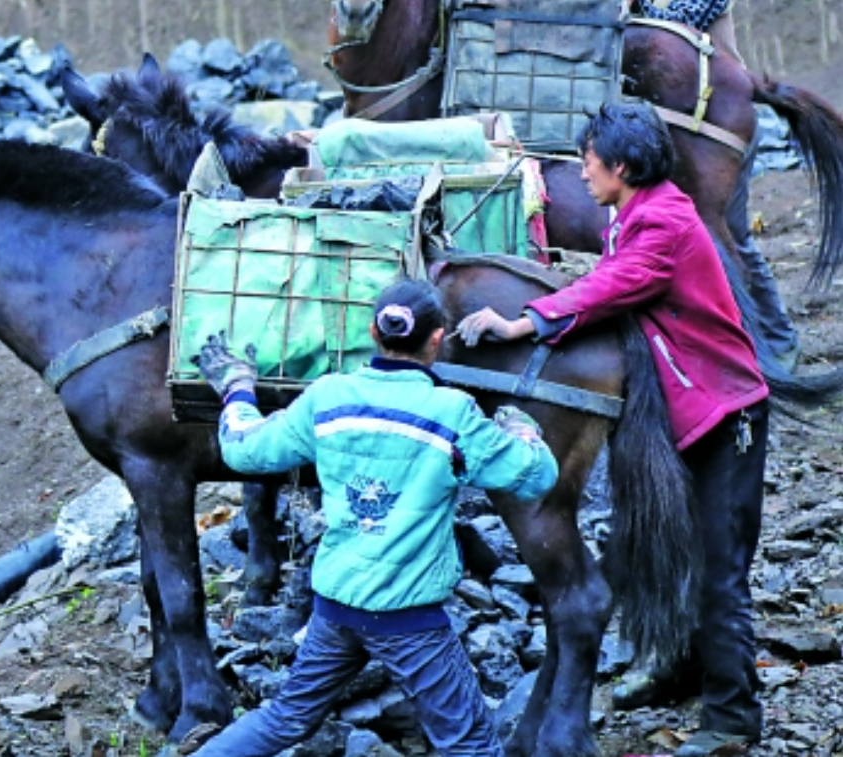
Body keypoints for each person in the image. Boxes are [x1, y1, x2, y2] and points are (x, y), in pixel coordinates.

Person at [456, 102, 768, 757]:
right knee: (653, 551)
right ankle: (682, 669)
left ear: (620, 166)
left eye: (588, 159)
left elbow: (613, 286)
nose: (582, 171)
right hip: (690, 412)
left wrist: (522, 322)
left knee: (720, 573)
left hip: (722, 414)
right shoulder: (633, 212)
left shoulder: (662, 221)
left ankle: (732, 719)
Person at [187, 279, 559, 757]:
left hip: (337, 607)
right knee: (469, 743)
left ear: (372, 332)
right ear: (436, 339)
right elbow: (536, 477)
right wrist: (521, 427)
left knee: (286, 718)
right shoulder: (451, 413)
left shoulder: (329, 397)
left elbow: (245, 449)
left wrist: (237, 388)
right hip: (410, 620)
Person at [637, 0, 802, 369]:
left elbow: (667, 25)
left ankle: (778, 340)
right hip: (687, 125)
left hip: (722, 124)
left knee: (732, 236)